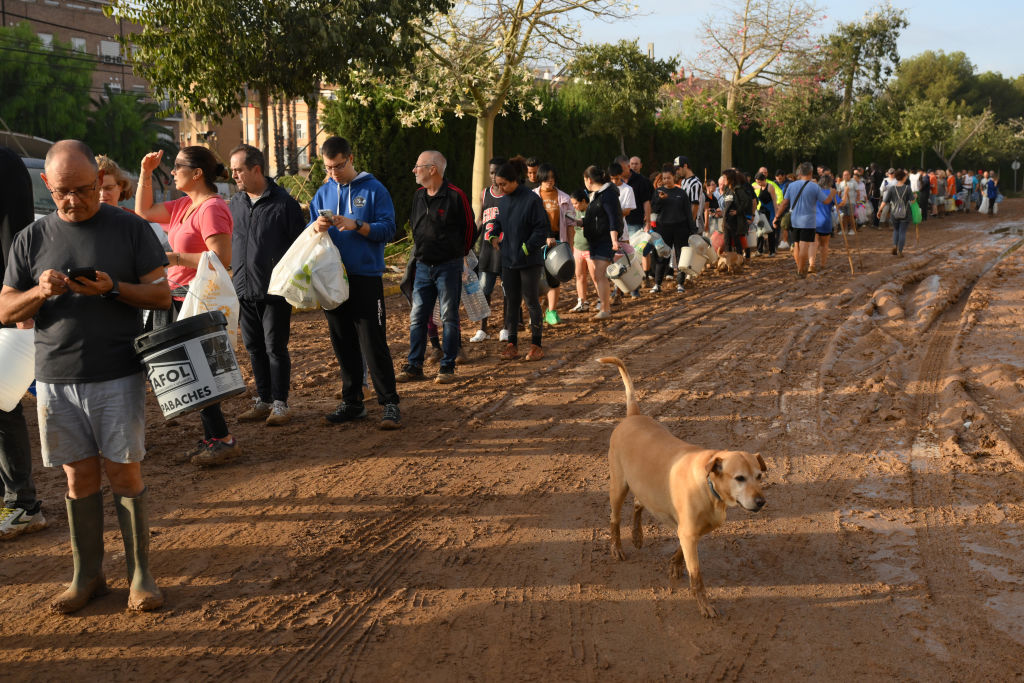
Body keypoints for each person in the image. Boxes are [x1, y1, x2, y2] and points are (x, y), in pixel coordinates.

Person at [0, 139, 170, 612]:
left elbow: (160, 295)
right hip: (55, 378)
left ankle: (140, 575)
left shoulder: (129, 228)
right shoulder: (30, 239)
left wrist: (113, 288)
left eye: (82, 189)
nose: (72, 200)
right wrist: (39, 292)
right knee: (78, 480)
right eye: (61, 193)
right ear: (45, 186)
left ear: (99, 181)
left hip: (116, 372)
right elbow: (4, 307)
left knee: (124, 471)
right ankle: (87, 575)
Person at [136, 146, 240, 465]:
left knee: (199, 370)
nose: (173, 172)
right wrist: (145, 172)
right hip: (176, 296)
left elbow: (223, 258)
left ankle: (222, 438)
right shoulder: (185, 204)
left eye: (178, 166)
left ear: (197, 174)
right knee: (191, 372)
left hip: (194, 299)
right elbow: (145, 211)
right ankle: (214, 437)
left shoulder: (211, 208)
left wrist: (175, 258)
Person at [309, 136, 401, 428]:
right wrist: (316, 226)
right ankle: (352, 402)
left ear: (350, 159)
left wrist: (356, 225)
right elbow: (308, 231)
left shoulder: (374, 189)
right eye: (327, 167)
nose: (333, 172)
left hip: (364, 276)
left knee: (372, 341)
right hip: (331, 277)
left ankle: (389, 404)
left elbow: (388, 229)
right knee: (342, 341)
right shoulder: (322, 193)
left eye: (337, 166)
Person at [228, 144, 305, 426]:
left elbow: (300, 247)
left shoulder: (284, 204)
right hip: (244, 289)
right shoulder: (235, 204)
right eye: (233, 170)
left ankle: (280, 403)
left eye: (238, 170)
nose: (234, 175)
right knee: (254, 347)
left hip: (274, 291)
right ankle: (262, 400)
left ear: (256, 169)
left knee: (275, 347)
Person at [398, 150, 475, 384]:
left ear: (433, 169)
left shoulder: (455, 195)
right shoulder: (418, 195)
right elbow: (415, 225)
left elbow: (470, 229)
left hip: (448, 266)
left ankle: (447, 367)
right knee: (418, 316)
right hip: (422, 265)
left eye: (418, 166)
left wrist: (459, 255)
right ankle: (414, 366)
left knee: (449, 316)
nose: (414, 170)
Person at [0, 145, 45, 541]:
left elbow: (16, 238)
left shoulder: (5, 162)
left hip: (2, 303)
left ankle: (22, 502)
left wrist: (22, 311)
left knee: (2, 403)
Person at [484, 158, 549, 361]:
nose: (500, 189)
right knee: (511, 302)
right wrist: (494, 233)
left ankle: (536, 345)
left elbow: (542, 229)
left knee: (531, 301)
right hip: (508, 259)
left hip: (529, 260)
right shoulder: (503, 201)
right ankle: (512, 344)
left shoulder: (532, 200)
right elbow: (498, 222)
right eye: (498, 185)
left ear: (514, 180)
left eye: (503, 184)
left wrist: (526, 247)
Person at [774, 162, 835, 278]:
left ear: (800, 173)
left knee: (796, 245)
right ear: (811, 173)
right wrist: (832, 194)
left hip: (795, 220)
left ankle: (799, 268)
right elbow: (826, 201)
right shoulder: (814, 186)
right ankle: (802, 270)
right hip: (809, 221)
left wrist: (777, 217)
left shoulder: (791, 186)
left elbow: (784, 203)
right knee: (804, 245)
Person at [470, 157, 506, 343]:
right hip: (486, 250)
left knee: (508, 290)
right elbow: (480, 220)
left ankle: (506, 327)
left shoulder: (510, 195)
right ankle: (482, 329)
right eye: (491, 172)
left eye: (497, 172)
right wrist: (469, 242)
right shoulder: (485, 194)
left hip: (505, 250)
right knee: (484, 290)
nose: (493, 176)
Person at [533, 164, 574, 325]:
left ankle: (551, 312)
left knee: (554, 276)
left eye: (552, 178)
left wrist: (569, 245)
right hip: (537, 241)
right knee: (537, 277)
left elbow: (570, 224)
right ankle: (536, 311)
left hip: (557, 240)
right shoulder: (533, 196)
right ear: (541, 178)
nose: (550, 181)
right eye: (547, 178)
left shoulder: (564, 198)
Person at [581, 167, 620, 319]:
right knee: (598, 275)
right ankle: (604, 307)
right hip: (596, 240)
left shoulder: (607, 195)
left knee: (600, 274)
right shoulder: (596, 195)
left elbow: (613, 219)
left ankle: (605, 309)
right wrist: (580, 222)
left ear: (589, 180)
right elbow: (597, 218)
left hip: (605, 240)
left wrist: (614, 240)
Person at [650, 164, 690, 293]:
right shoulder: (658, 192)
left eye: (669, 178)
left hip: (680, 228)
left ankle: (680, 283)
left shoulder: (681, 193)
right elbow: (654, 209)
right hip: (663, 228)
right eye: (664, 178)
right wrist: (660, 200)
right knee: (662, 256)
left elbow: (688, 212)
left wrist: (692, 229)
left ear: (674, 177)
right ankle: (657, 284)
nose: (666, 180)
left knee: (680, 256)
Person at [877, 168, 914, 256]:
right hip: (905, 213)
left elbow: (884, 201)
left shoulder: (892, 189)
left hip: (894, 213)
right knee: (902, 232)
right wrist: (914, 196)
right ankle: (900, 251)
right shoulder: (907, 188)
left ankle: (895, 245)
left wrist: (879, 210)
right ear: (904, 177)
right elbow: (912, 201)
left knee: (896, 230)